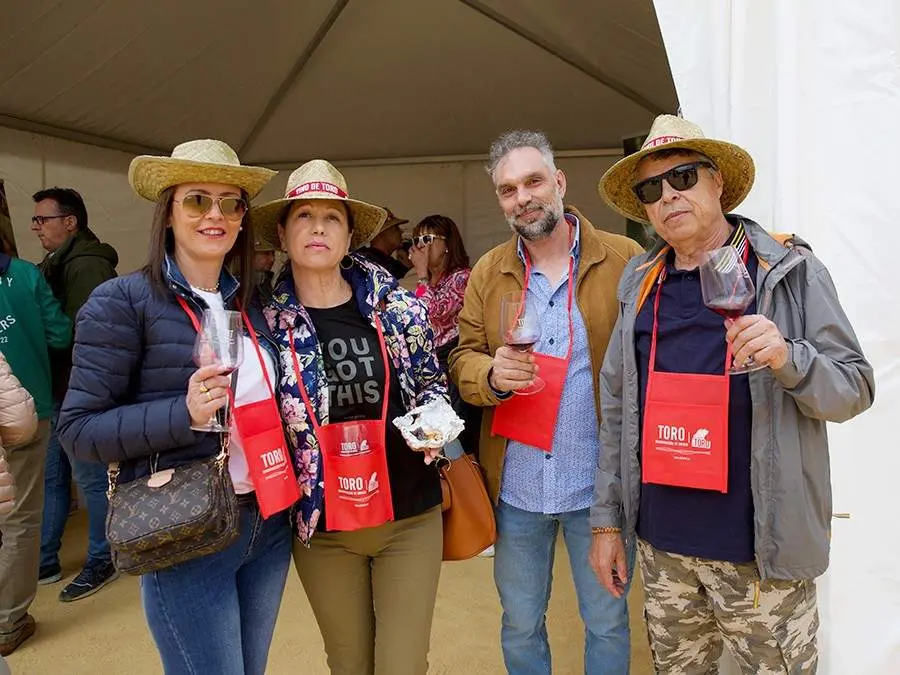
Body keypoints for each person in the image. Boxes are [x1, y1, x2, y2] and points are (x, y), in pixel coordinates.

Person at [590, 114, 875, 673]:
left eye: (684, 177)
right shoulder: (639, 284)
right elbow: (618, 413)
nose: (669, 196)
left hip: (760, 554)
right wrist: (607, 523)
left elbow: (853, 389)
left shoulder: (790, 271)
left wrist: (788, 357)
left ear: (717, 181)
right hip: (664, 548)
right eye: (652, 189)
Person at [57, 140, 293, 675]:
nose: (216, 215)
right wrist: (181, 413)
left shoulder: (250, 302)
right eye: (196, 200)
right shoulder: (122, 301)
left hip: (266, 523)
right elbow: (78, 430)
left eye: (230, 203)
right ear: (167, 212)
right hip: (188, 530)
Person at [449, 130, 644, 675]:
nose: (523, 197)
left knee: (606, 622)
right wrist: (491, 372)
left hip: (597, 491)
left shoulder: (624, 259)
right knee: (520, 622)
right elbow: (462, 358)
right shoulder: (488, 272)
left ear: (558, 182)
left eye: (533, 181)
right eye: (509, 190)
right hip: (516, 488)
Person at [254, 159, 448, 675]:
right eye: (304, 216)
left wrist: (433, 429)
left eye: (331, 217)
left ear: (347, 233)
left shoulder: (398, 309)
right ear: (283, 230)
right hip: (324, 529)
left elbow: (432, 387)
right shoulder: (264, 324)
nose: (318, 227)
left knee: (403, 665)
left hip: (408, 516)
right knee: (347, 662)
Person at [31, 186, 120, 599]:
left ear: (70, 222)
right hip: (58, 387)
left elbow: (87, 336)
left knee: (91, 480)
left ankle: (103, 557)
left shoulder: (85, 265)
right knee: (54, 477)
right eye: (34, 220)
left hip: (78, 391)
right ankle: (44, 559)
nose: (36, 227)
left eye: (42, 219)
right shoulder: (55, 261)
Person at [0, 238, 72, 656]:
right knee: (21, 518)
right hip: (27, 411)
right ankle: (9, 620)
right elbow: (60, 333)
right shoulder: (26, 275)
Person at [409, 215, 482, 457]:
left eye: (427, 239)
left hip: (453, 369)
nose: (420, 245)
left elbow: (432, 312)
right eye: (416, 239)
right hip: (431, 372)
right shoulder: (428, 282)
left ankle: (467, 491)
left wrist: (421, 275)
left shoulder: (463, 277)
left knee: (456, 441)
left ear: (447, 244)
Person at [356, 207, 411, 280]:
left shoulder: (391, 263)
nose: (401, 231)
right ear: (380, 234)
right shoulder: (366, 262)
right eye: (396, 228)